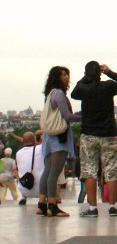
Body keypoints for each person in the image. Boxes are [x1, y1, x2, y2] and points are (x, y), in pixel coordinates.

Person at [71, 61, 117, 218]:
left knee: (89, 171)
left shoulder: (83, 88)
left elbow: (74, 92)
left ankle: (92, 208)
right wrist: (109, 72)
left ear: (86, 73)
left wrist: (86, 77)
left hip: (89, 134)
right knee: (111, 169)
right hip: (108, 133)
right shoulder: (108, 86)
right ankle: (112, 207)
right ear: (99, 73)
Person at [39, 66, 81, 217]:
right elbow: (68, 117)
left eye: (67, 74)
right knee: (55, 172)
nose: (67, 77)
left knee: (47, 170)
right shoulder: (59, 94)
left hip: (49, 137)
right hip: (59, 137)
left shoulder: (49, 94)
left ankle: (41, 204)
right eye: (64, 74)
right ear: (57, 77)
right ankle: (52, 205)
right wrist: (85, 116)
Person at [16, 132, 45, 206]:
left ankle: (23, 198)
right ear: (34, 140)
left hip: (24, 188)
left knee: (22, 172)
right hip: (41, 190)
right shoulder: (40, 149)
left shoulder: (18, 153)